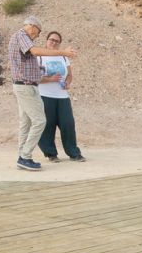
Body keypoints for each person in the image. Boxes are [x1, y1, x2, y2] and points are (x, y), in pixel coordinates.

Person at [6, 15, 71, 171]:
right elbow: (34, 51)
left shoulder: (21, 38)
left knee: (26, 123)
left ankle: (22, 156)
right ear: (32, 26)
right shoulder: (22, 35)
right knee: (40, 121)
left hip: (24, 86)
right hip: (26, 87)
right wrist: (64, 52)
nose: (37, 35)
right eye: (38, 32)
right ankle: (25, 156)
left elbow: (29, 63)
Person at [35, 28, 85, 162]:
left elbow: (69, 75)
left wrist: (68, 83)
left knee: (67, 124)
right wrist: (50, 79)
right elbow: (34, 77)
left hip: (62, 96)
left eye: (57, 41)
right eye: (51, 39)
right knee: (47, 125)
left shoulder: (63, 57)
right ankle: (51, 153)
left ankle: (73, 153)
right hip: (44, 95)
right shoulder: (39, 56)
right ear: (46, 41)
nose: (53, 42)